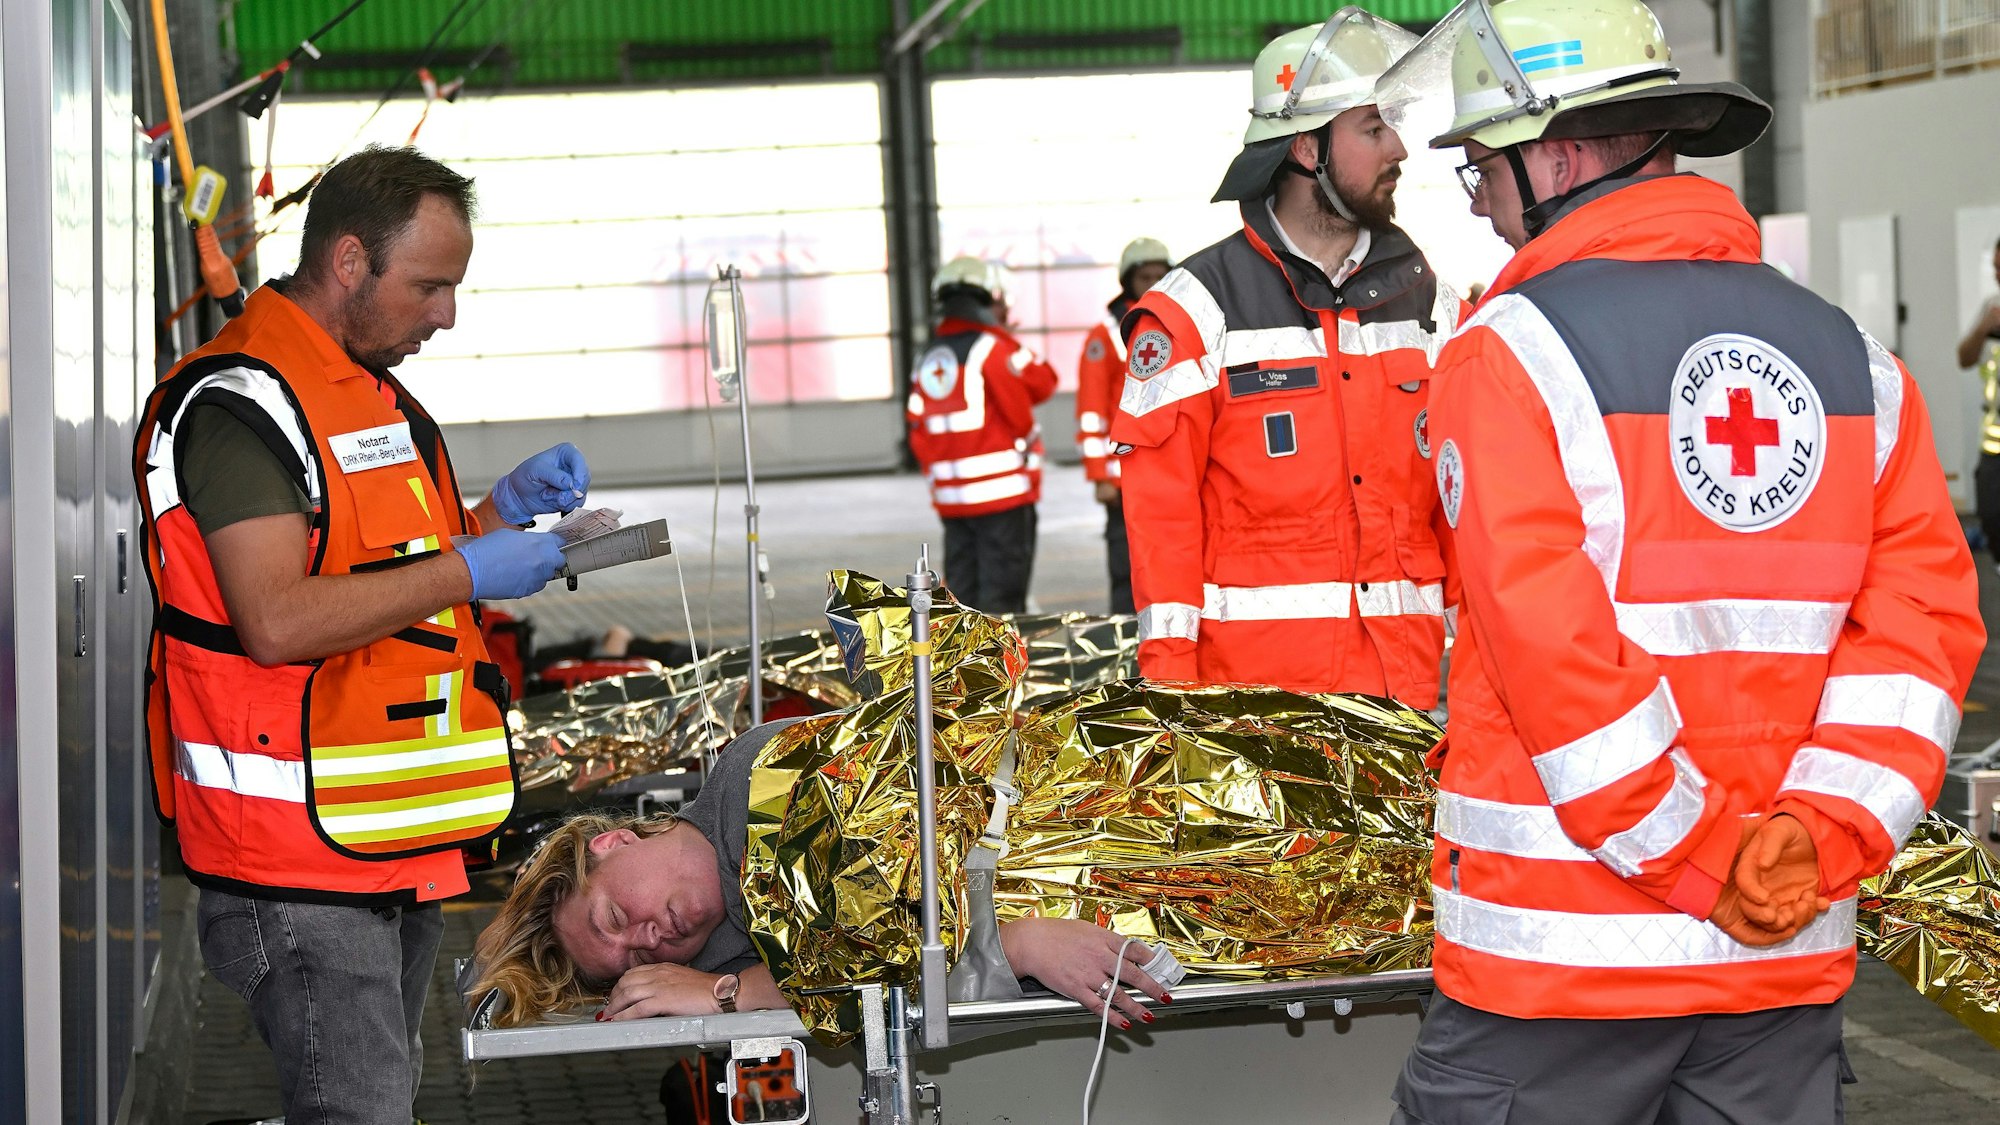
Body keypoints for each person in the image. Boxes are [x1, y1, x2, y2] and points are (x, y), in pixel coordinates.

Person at [1392, 1, 1984, 1121]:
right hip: (1778, 962)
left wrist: (1708, 858)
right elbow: (1916, 643)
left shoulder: (1504, 356)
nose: (1477, 204)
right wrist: (1810, 844)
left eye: (1479, 171)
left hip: (1561, 966)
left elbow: (1553, 661)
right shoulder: (1852, 362)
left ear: (1554, 154)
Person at [134, 145, 591, 1125]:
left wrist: (491, 516)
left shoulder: (362, 392)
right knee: (360, 1112)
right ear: (348, 262)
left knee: (372, 1102)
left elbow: (377, 568)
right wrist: (469, 569)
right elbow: (278, 618)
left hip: (378, 836)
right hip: (291, 861)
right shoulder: (241, 406)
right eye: (429, 286)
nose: (446, 314)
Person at [1107, 10, 1466, 700]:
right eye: (1373, 127)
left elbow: (1462, 516)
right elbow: (1162, 526)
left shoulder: (1431, 307)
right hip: (1261, 721)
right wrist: (1174, 697)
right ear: (1307, 149)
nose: (1399, 148)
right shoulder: (1194, 314)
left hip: (1407, 704)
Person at [471, 721, 1170, 1031]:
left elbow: (882, 951)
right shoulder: (736, 953)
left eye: (618, 918)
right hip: (1144, 905)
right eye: (642, 959)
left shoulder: (762, 778)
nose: (652, 936)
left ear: (615, 840)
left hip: (1132, 797)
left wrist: (731, 992)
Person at [906, 257, 1059, 614]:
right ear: (990, 300)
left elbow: (916, 428)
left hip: (951, 501)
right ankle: (998, 670)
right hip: (1002, 498)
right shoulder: (992, 348)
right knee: (1003, 599)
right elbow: (1042, 384)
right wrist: (1001, 332)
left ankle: (965, 667)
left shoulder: (926, 356)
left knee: (963, 598)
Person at [1076, 237, 1172, 615]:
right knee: (1126, 566)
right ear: (1127, 281)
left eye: (1159, 275)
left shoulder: (1182, 319)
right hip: (1124, 478)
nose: (1151, 283)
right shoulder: (1105, 334)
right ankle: (1125, 641)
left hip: (1172, 470)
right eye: (1144, 276)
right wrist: (1099, 475)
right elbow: (1090, 410)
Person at [1957, 235, 2000, 570]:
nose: (1997, 276)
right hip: (1993, 443)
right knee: (1991, 515)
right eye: (1995, 269)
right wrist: (1985, 327)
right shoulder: (1991, 308)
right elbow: (1964, 357)